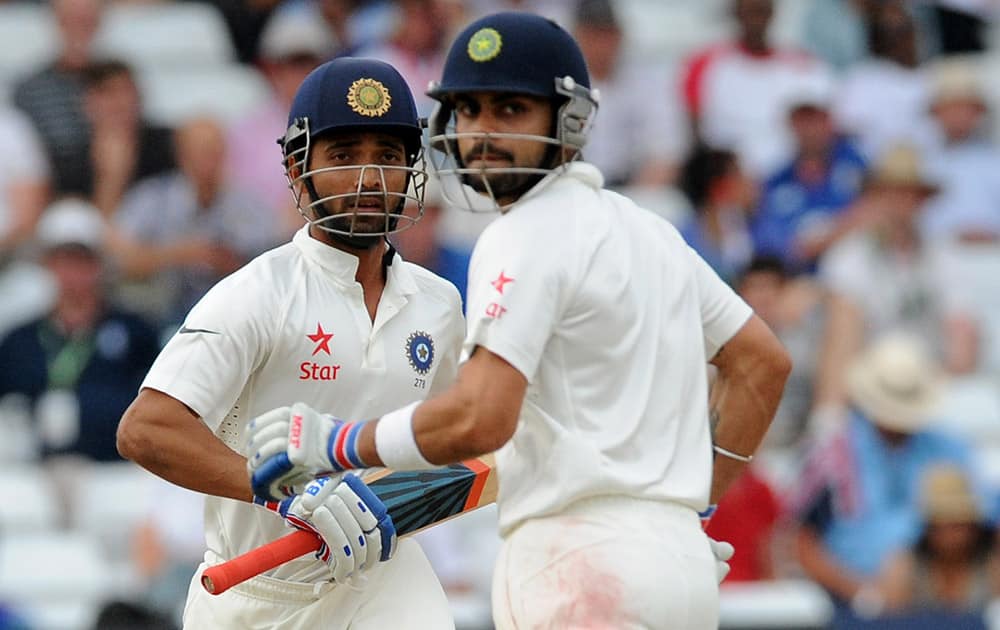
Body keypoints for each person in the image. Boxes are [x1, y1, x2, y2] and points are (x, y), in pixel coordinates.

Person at [247, 12, 792, 629]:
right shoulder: (652, 230)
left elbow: (483, 415)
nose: (482, 131)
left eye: (510, 110)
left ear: (571, 119)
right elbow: (761, 363)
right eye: (470, 110)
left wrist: (333, 443)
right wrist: (692, 512)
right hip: (680, 568)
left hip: (575, 564)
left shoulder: (521, 235)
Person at [116, 57, 465, 629]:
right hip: (257, 590)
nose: (369, 177)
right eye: (344, 156)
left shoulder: (439, 304)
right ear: (297, 168)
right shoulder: (256, 295)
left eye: (388, 155)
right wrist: (284, 492)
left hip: (384, 577)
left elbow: (456, 436)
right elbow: (145, 429)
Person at [791, 331, 988, 621]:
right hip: (853, 604)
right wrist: (861, 593)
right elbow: (803, 540)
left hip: (943, 600)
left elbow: (983, 525)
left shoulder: (950, 448)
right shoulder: (832, 456)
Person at [0, 198, 159, 462]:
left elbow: (152, 407)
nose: (72, 273)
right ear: (47, 264)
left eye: (81, 260)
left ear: (99, 264)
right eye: (63, 260)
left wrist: (85, 411)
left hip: (118, 472)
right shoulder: (20, 341)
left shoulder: (135, 333)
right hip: (32, 476)